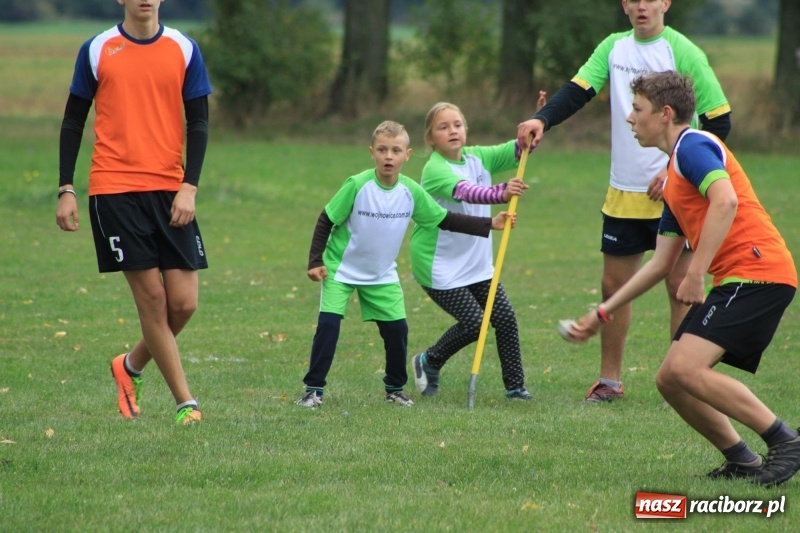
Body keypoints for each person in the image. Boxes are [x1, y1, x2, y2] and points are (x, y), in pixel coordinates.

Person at [565, 71, 799, 486]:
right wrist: (602, 312)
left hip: (758, 272)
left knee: (687, 369)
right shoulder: (675, 174)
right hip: (741, 277)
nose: (630, 118)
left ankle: (786, 442)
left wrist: (694, 273)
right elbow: (658, 264)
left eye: (637, 109)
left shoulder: (694, 146)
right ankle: (741, 459)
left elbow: (725, 200)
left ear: (665, 113)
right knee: (670, 378)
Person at [517, 0, 732, 403]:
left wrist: (673, 170)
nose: (642, 6)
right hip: (624, 191)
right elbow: (577, 92)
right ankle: (610, 381)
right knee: (614, 284)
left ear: (665, 3)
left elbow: (719, 121)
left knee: (679, 284)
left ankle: (682, 378)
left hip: (679, 192)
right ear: (624, 5)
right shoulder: (614, 48)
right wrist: (541, 119)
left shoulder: (683, 52)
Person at [56, 0, 211, 425]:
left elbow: (198, 123)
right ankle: (186, 403)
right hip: (114, 191)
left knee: (183, 303)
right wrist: (66, 187)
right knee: (154, 300)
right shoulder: (97, 48)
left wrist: (189, 187)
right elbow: (73, 122)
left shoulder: (184, 48)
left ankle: (129, 366)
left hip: (170, 191)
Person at [297, 121, 516, 408]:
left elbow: (444, 219)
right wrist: (315, 260)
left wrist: (490, 223)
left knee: (397, 330)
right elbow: (327, 217)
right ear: (372, 152)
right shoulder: (357, 185)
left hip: (381, 274)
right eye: (383, 150)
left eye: (396, 150)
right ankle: (313, 390)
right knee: (329, 326)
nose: (389, 156)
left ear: (407, 155)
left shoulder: (410, 191)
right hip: (341, 270)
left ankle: (395, 390)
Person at [409, 102, 533, 400]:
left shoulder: (477, 156)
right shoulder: (435, 169)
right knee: (475, 323)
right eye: (443, 127)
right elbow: (467, 191)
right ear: (430, 138)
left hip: (476, 265)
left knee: (504, 318)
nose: (452, 131)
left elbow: (519, 149)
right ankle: (428, 361)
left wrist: (534, 129)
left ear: (465, 129)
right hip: (439, 265)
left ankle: (515, 388)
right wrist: (500, 193)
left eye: (457, 124)